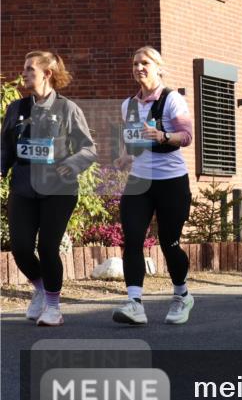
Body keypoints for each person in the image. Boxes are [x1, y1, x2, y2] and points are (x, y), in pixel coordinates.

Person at [2, 51, 97, 326]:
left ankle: (54, 307)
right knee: (20, 247)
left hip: (59, 190)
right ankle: (42, 290)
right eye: (24, 67)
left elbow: (88, 149)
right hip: (23, 187)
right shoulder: (16, 109)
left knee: (47, 247)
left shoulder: (68, 109)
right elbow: (5, 147)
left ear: (47, 74)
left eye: (30, 68)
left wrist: (71, 164)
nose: (24, 73)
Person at [112, 47, 195, 325]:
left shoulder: (173, 100)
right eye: (135, 63)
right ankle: (134, 303)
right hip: (139, 181)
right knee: (133, 239)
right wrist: (125, 156)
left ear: (159, 67)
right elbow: (134, 142)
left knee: (169, 243)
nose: (139, 67)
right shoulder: (129, 105)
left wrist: (162, 135)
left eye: (145, 62)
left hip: (171, 181)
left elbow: (186, 136)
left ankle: (182, 294)